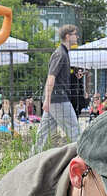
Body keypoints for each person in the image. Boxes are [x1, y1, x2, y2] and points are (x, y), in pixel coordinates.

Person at [32, 25, 83, 154]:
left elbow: (59, 77)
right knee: (75, 131)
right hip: (58, 99)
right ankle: (84, 158)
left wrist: (74, 76)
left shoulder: (63, 53)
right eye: (75, 34)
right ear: (67, 36)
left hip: (54, 99)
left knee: (42, 134)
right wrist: (47, 99)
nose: (77, 37)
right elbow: (51, 77)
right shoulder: (60, 54)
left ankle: (31, 158)